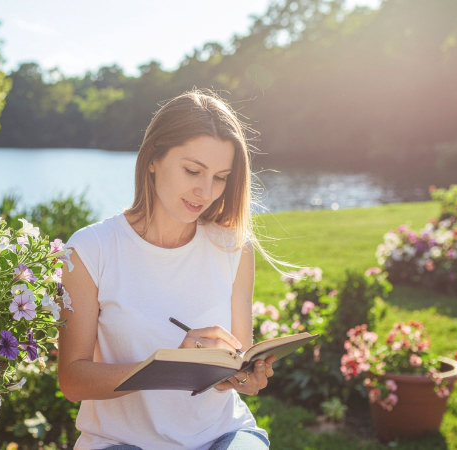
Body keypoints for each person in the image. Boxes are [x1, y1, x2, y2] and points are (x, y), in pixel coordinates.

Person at [58, 89, 298, 450]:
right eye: (192, 171)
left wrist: (245, 378)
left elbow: (236, 366)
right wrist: (169, 367)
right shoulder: (91, 249)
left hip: (221, 434)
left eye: (221, 177)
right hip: (120, 442)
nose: (205, 191)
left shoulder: (233, 246)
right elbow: (73, 380)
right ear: (153, 158)